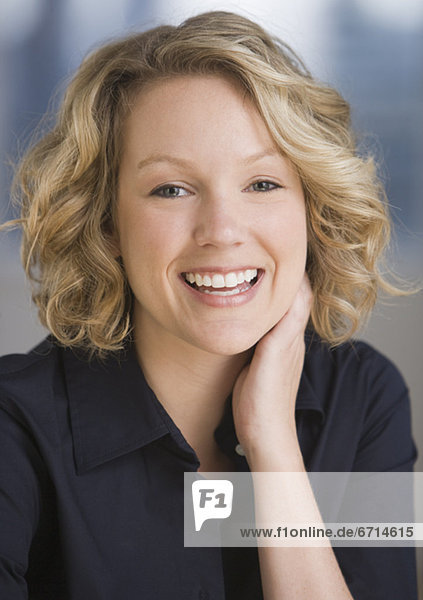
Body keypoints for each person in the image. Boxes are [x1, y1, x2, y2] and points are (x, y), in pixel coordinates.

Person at [0, 10, 418, 600]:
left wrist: (271, 438)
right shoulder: (13, 427)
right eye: (171, 189)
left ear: (311, 207)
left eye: (262, 184)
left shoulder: (367, 397)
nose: (222, 231)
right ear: (107, 222)